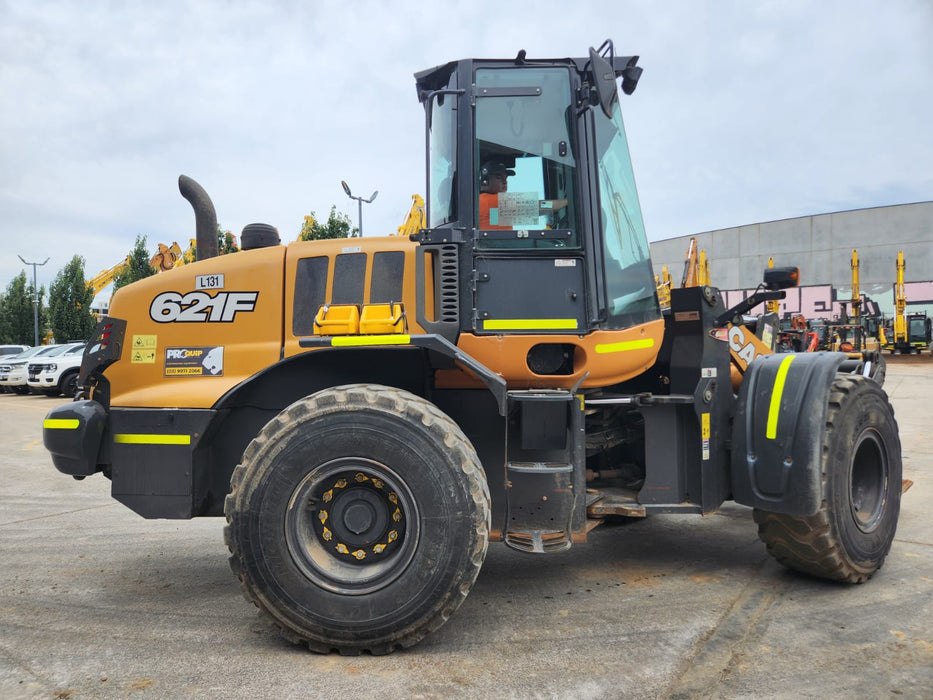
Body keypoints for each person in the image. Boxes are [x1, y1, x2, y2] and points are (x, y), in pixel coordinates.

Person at [478, 160, 515, 230]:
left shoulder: (483, 201)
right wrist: (542, 206)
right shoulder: (490, 200)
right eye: (499, 177)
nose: (505, 181)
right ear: (485, 181)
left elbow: (494, 222)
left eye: (506, 178)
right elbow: (533, 208)